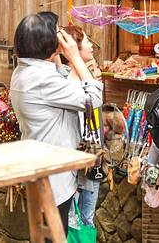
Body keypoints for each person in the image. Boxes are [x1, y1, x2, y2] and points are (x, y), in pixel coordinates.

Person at [10, 13, 103, 235]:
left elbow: (60, 84)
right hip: (53, 178)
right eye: (56, 34)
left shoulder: (25, 71)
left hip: (41, 170)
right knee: (54, 235)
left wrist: (58, 60)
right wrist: (76, 57)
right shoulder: (42, 80)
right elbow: (94, 98)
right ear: (47, 44)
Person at [59, 25, 102, 227]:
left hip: (91, 156)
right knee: (78, 220)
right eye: (86, 41)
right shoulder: (70, 87)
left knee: (86, 217)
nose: (91, 46)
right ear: (74, 49)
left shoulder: (85, 82)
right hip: (78, 161)